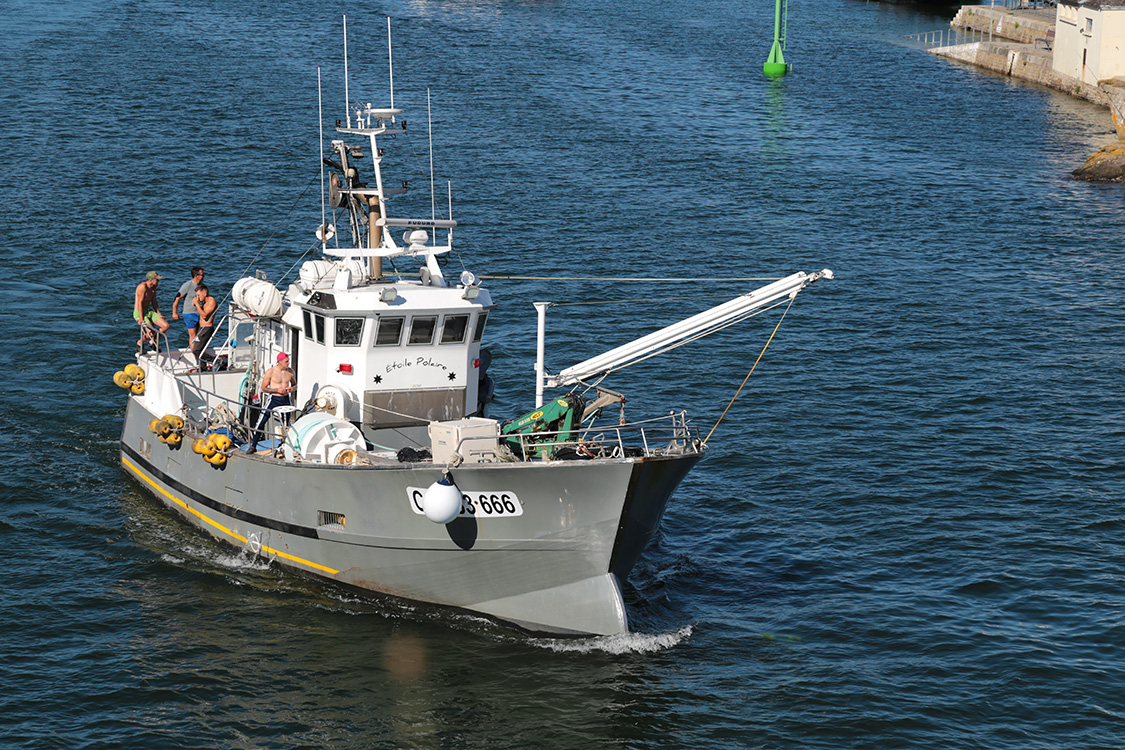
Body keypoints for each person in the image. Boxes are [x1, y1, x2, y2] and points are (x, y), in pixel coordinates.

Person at [249, 353, 297, 452]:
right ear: (279, 362)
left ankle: (284, 444)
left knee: (286, 424)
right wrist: (277, 390)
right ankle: (253, 445)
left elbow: (295, 385)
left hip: (286, 399)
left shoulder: (290, 372)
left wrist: (291, 388)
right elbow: (264, 389)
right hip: (274, 399)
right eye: (286, 361)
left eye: (288, 361)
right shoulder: (271, 372)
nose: (288, 363)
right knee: (261, 421)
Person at [133, 271, 170, 349]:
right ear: (151, 280)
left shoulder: (153, 287)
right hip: (140, 312)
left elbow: (154, 301)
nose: (158, 281)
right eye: (157, 279)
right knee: (151, 333)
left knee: (166, 326)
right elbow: (140, 303)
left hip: (148, 311)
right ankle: (139, 342)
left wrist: (158, 313)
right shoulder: (142, 287)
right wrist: (141, 319)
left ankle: (153, 341)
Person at [172, 266, 205, 345]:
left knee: (201, 335)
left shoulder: (202, 286)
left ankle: (199, 351)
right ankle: (195, 354)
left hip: (200, 313)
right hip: (189, 313)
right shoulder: (187, 285)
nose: (203, 277)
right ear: (196, 276)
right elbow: (177, 298)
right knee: (193, 335)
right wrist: (174, 313)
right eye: (202, 275)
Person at [189, 284, 218, 363]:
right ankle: (202, 367)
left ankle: (215, 361)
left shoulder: (212, 301)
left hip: (207, 328)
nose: (197, 297)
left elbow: (205, 316)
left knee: (196, 350)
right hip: (201, 328)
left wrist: (197, 304)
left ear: (205, 294)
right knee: (200, 349)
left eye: (198, 295)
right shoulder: (204, 302)